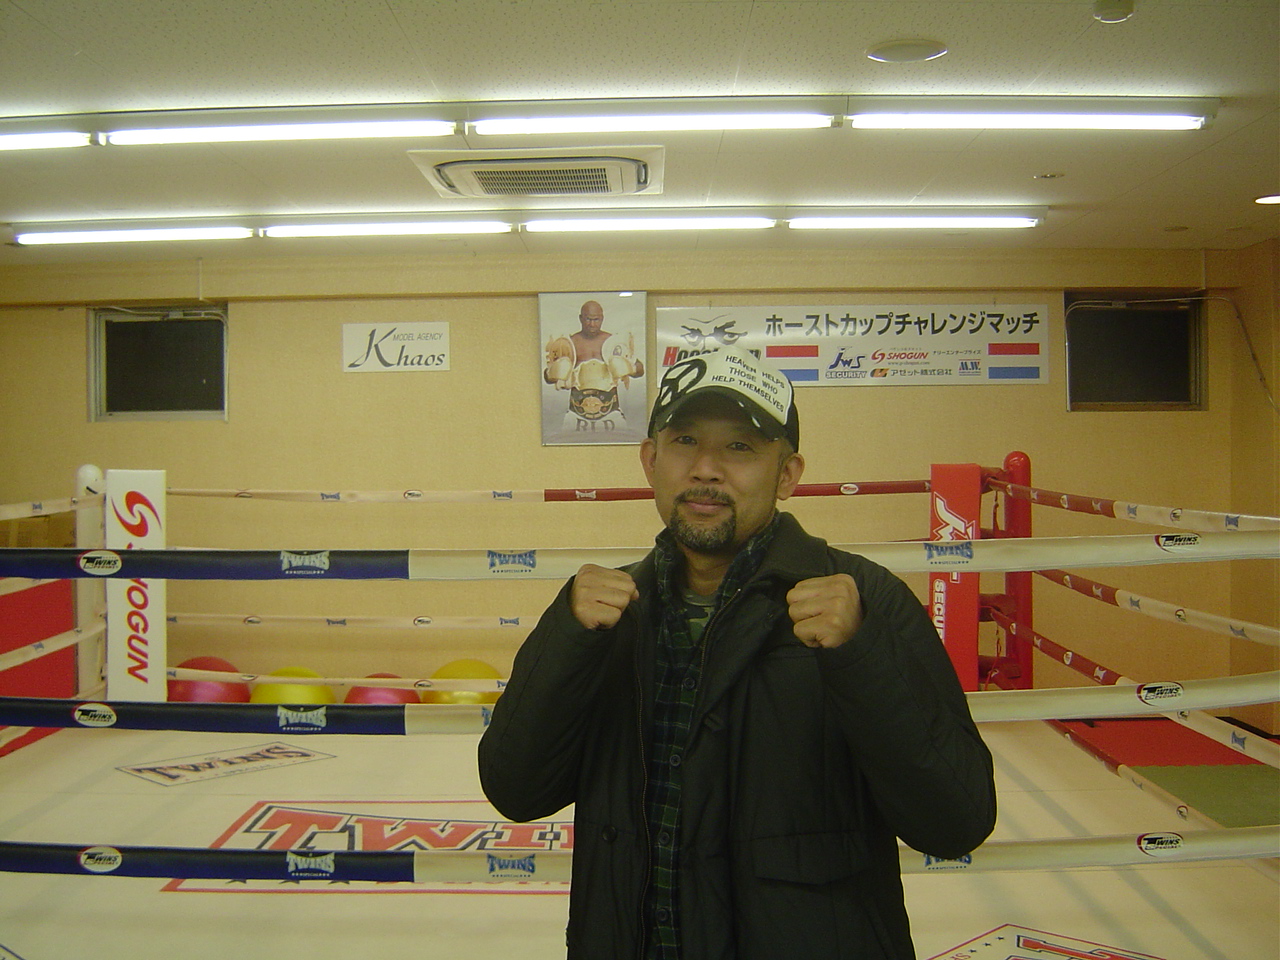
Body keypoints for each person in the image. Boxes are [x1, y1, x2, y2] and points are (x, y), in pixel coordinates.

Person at [480, 347, 996, 960]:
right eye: (685, 441)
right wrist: (567, 639)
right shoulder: (606, 615)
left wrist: (861, 655)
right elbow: (516, 790)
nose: (705, 469)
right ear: (650, 460)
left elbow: (955, 821)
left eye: (740, 447)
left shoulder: (864, 603)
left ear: (788, 475)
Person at [545, 300, 645, 434]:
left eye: (596, 319)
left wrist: (630, 368)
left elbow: (640, 369)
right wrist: (554, 372)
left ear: (602, 319)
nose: (592, 324)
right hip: (576, 413)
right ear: (581, 318)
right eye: (588, 319)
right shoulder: (569, 344)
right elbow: (548, 376)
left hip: (611, 411)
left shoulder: (614, 342)